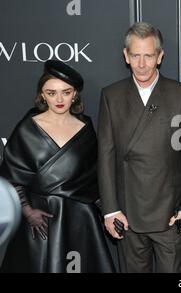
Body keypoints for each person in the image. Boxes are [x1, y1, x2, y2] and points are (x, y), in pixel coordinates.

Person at [97, 22, 181, 273]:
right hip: (127, 213)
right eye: (135, 55)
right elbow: (105, 155)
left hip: (169, 212)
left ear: (160, 56)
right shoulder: (111, 95)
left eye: (149, 55)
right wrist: (110, 210)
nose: (142, 64)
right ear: (126, 56)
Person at [0, 60, 115, 273]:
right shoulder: (28, 127)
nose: (59, 99)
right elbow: (11, 175)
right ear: (42, 95)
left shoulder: (87, 128)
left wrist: (109, 212)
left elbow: (94, 180)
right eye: (51, 93)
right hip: (40, 220)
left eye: (66, 92)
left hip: (81, 220)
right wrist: (27, 211)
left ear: (75, 95)